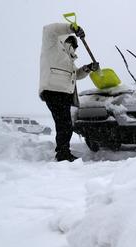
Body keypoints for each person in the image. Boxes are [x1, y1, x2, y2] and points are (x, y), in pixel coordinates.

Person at [38, 23, 99, 161]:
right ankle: (62, 154)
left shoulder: (68, 59)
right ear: (67, 41)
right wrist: (72, 28)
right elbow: (48, 29)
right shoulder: (53, 47)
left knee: (64, 124)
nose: (75, 49)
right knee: (64, 125)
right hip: (54, 90)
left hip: (64, 93)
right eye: (74, 45)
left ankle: (63, 151)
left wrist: (88, 68)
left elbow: (75, 75)